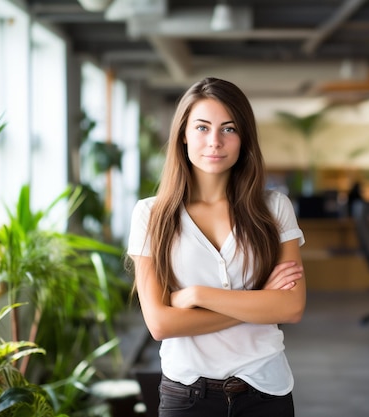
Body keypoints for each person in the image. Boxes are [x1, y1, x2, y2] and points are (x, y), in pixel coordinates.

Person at [126, 77, 306, 417]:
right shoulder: (150, 215)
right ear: (183, 134)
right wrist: (260, 300)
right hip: (186, 396)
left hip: (266, 390)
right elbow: (161, 324)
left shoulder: (274, 207)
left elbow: (291, 308)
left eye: (228, 129)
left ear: (243, 138)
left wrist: (195, 296)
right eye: (202, 127)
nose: (214, 142)